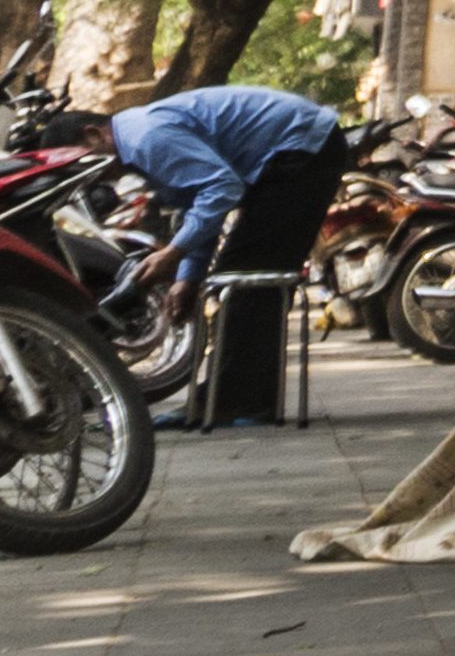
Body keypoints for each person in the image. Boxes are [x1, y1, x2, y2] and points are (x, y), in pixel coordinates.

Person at [107, 82, 350, 418]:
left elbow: (221, 188)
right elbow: (200, 204)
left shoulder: (143, 139)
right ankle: (241, 400)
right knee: (245, 278)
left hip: (301, 148)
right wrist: (189, 278)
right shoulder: (140, 134)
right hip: (298, 147)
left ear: (93, 135)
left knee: (244, 278)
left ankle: (236, 403)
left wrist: (173, 253)